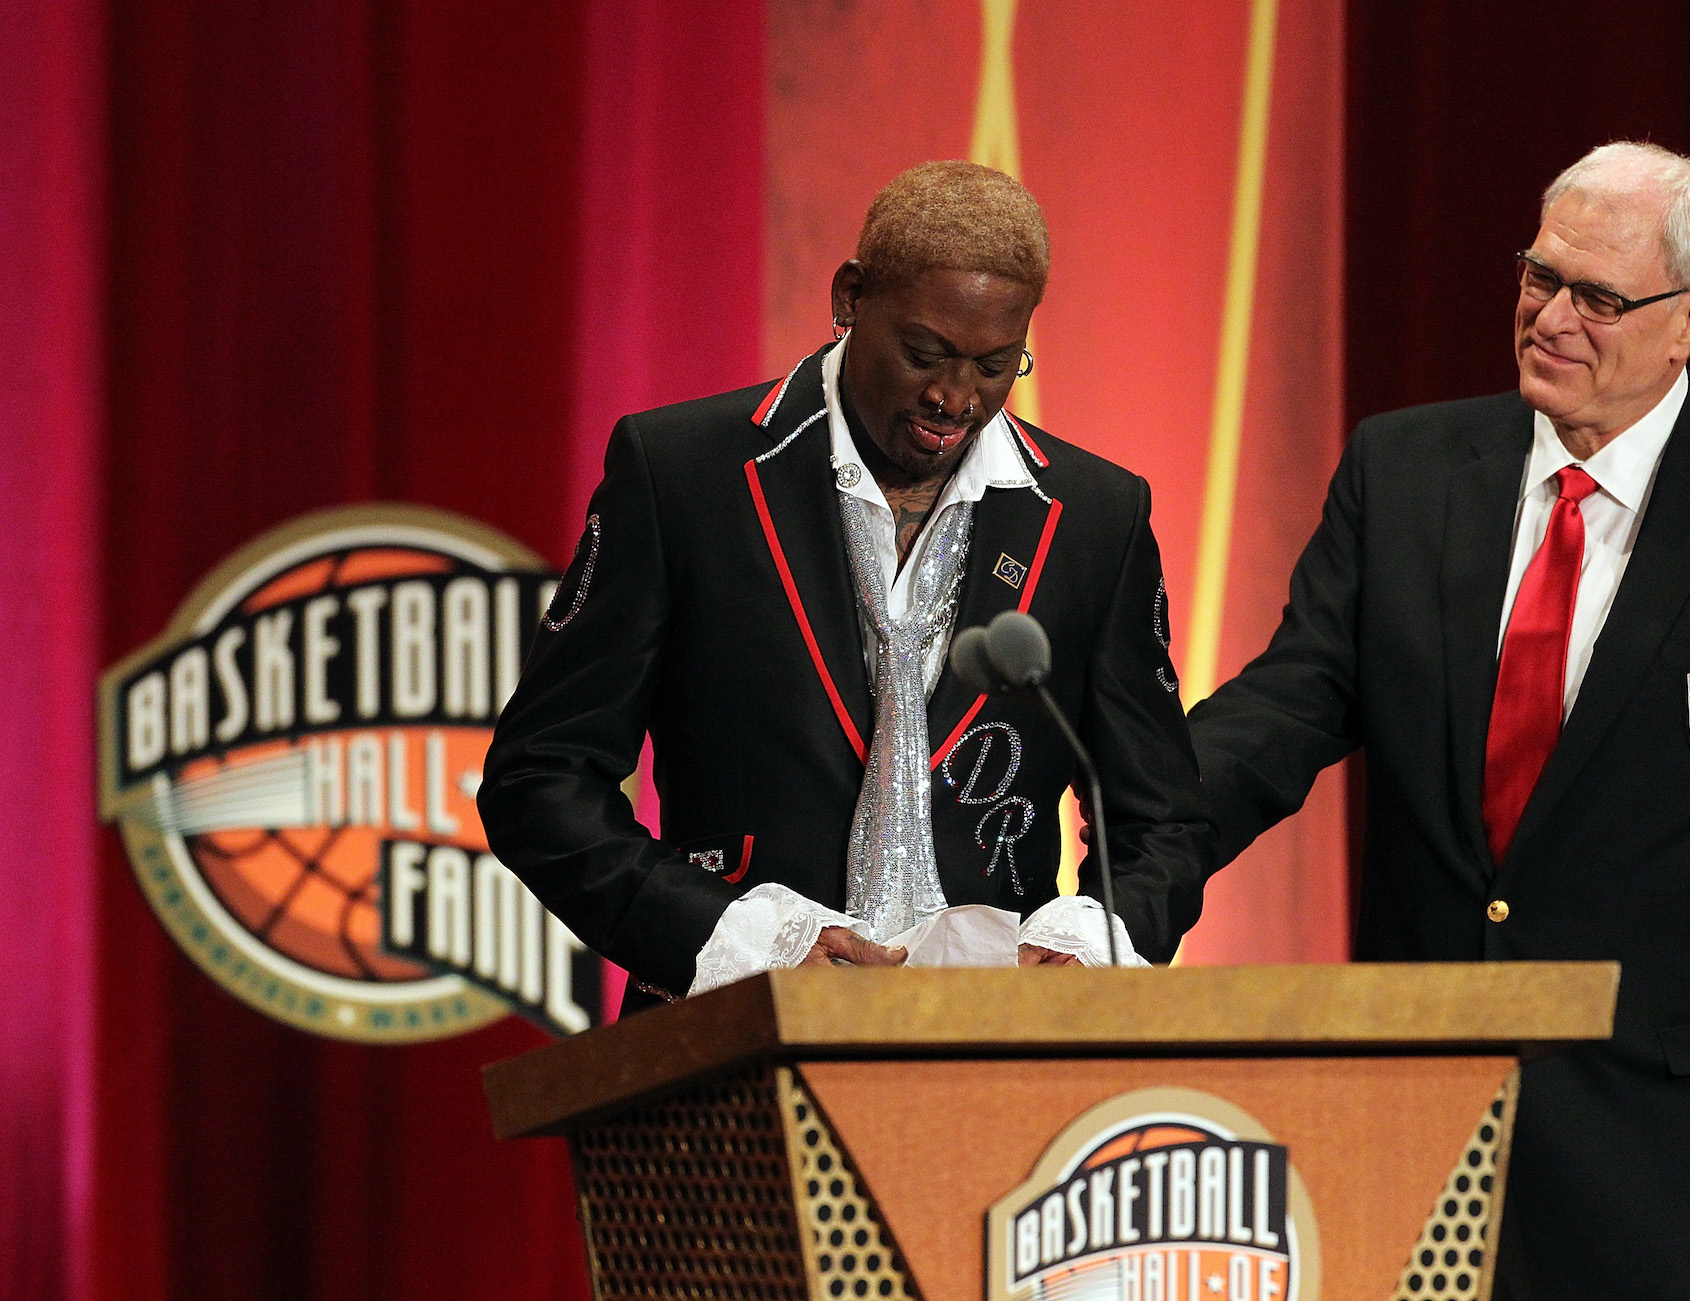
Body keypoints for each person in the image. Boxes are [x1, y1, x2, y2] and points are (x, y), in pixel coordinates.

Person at [1189, 141, 1690, 1299]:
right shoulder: (1402, 468)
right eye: (1537, 277)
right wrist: (1130, 816)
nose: (1548, 316)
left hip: (1687, 1178)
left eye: (1595, 297)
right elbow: (1286, 704)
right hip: (1425, 1154)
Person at [480, 160, 1211, 1010]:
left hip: (1001, 1064)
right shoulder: (683, 475)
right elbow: (541, 778)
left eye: (995, 364)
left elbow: (1163, 820)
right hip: (729, 1045)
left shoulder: (1094, 516)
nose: (954, 397)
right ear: (849, 298)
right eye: (925, 353)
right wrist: (736, 942)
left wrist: (1090, 943)